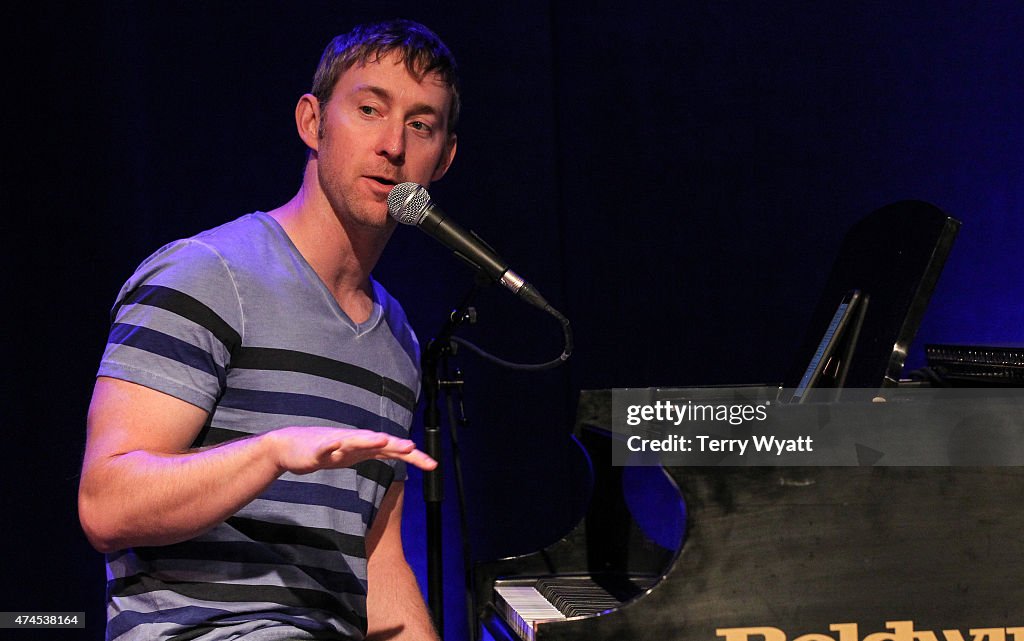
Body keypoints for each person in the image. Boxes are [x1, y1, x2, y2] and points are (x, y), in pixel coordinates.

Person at [78, 19, 459, 641]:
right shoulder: (209, 275)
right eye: (369, 109)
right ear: (312, 122)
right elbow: (106, 504)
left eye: (420, 126)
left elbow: (380, 562)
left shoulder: (397, 342)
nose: (393, 144)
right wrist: (270, 453)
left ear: (442, 159)